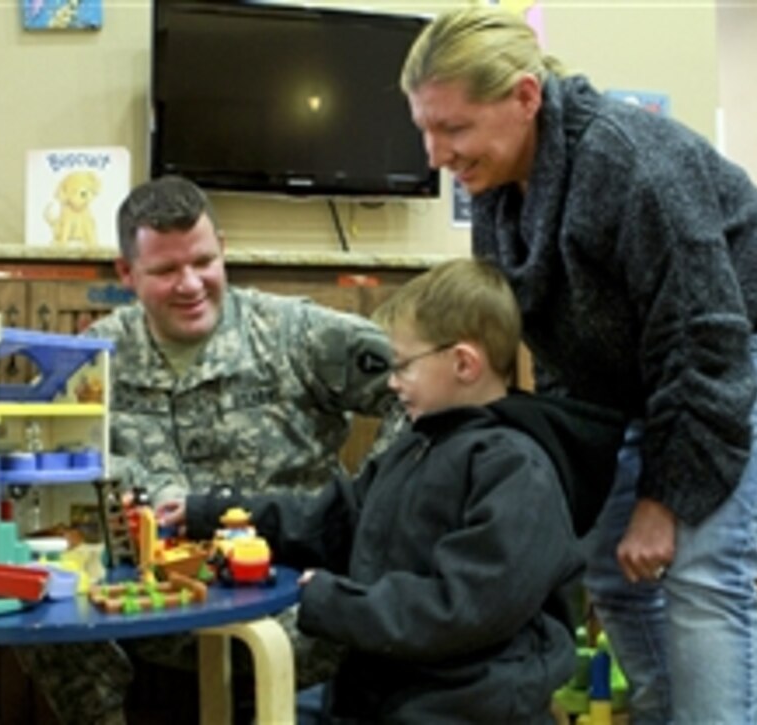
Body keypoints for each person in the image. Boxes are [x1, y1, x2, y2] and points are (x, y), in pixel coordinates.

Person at [400, 8, 757, 724]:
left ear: (524, 97)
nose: (435, 153)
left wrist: (664, 500)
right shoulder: (497, 195)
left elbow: (703, 337)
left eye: (453, 129)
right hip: (653, 365)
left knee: (703, 559)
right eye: (426, 129)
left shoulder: (631, 162)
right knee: (609, 561)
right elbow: (561, 357)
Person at [160, 257, 625, 722]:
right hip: (385, 691)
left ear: (463, 362)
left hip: (466, 705)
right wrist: (211, 513)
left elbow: (463, 607)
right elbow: (331, 521)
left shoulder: (516, 469)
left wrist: (334, 601)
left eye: (403, 365)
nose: (392, 382)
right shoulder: (417, 446)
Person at [16, 175, 401, 724]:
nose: (190, 284)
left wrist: (374, 501)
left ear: (222, 249)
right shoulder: (93, 360)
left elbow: (419, 384)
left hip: (290, 606)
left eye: (203, 261)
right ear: (126, 274)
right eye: (166, 270)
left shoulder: (293, 333)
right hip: (152, 612)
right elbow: (46, 454)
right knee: (38, 605)